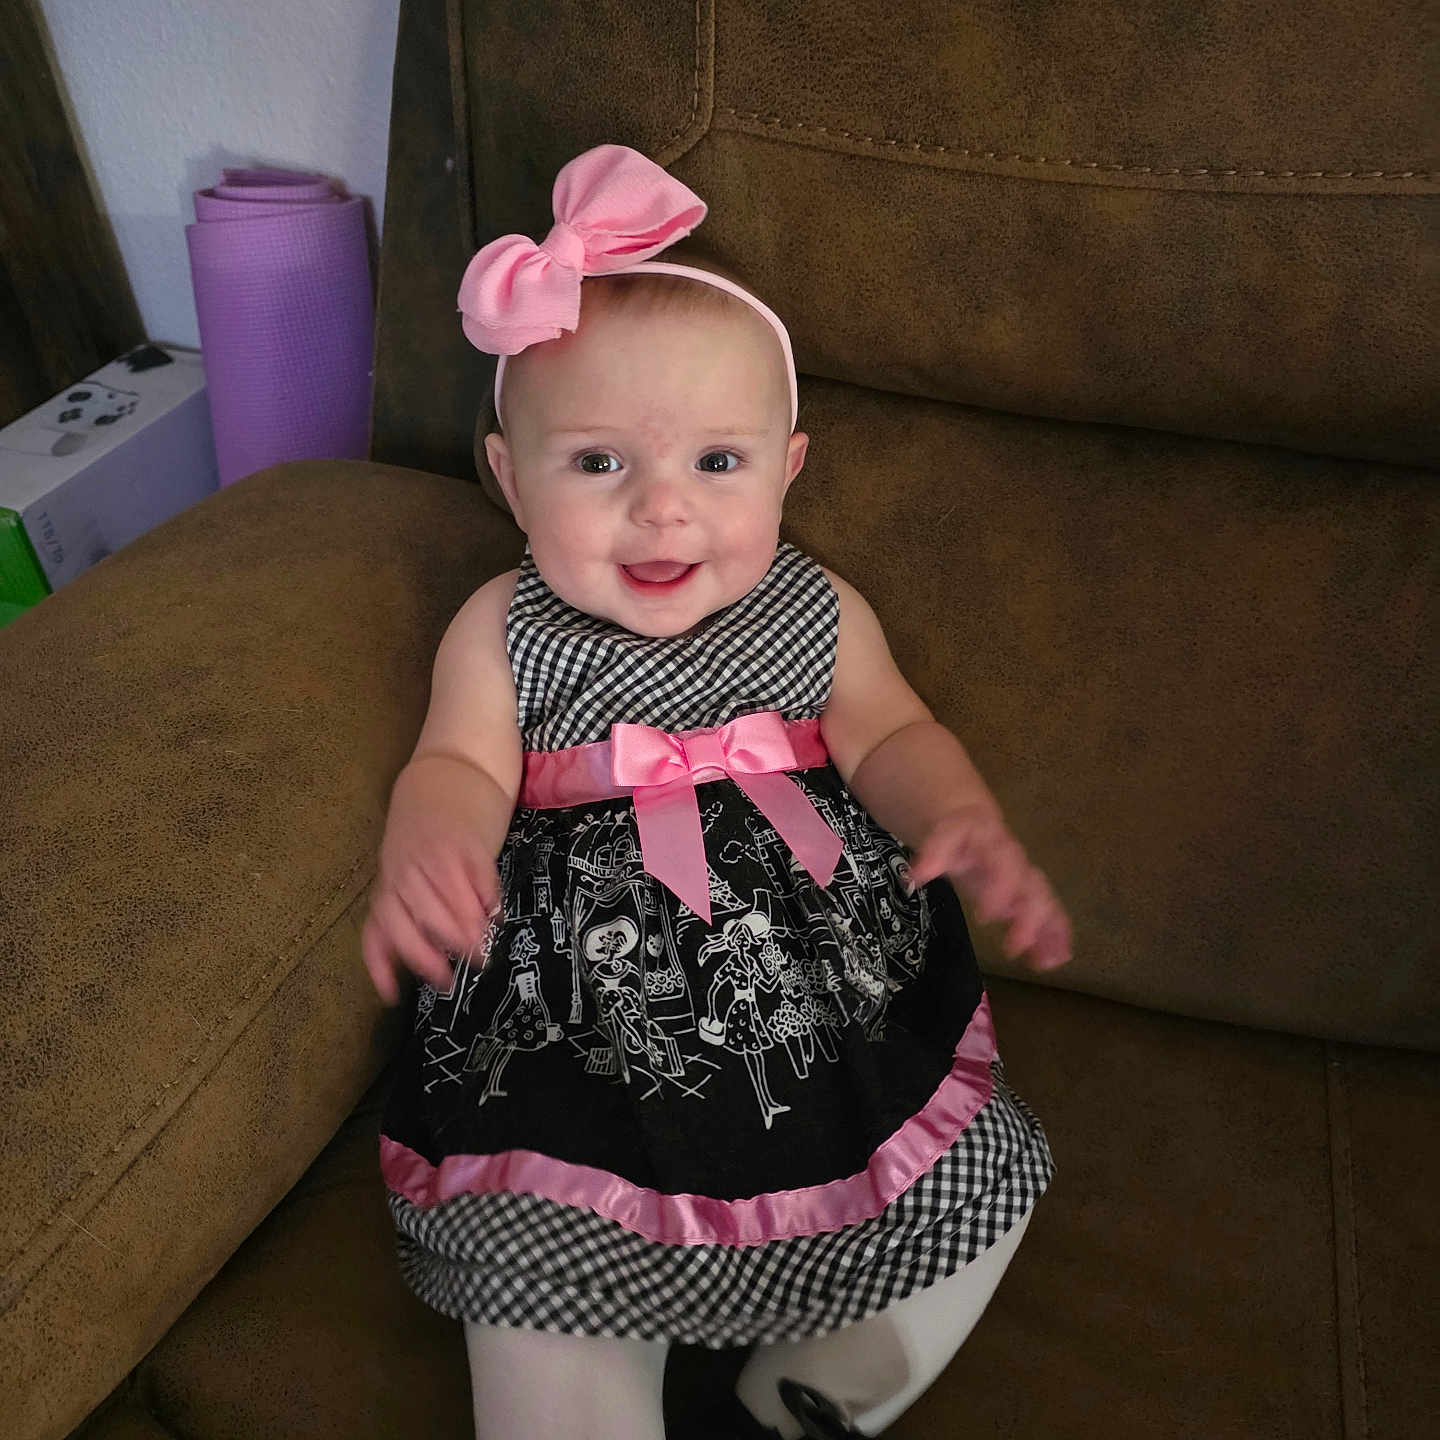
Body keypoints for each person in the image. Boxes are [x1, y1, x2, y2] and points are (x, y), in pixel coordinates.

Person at [363, 145, 1072, 1440]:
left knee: (978, 1191)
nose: (662, 514)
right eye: (597, 466)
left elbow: (891, 729)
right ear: (509, 479)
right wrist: (435, 845)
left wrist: (954, 811)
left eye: (717, 465)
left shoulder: (813, 603)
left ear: (789, 467)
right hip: (583, 1009)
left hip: (806, 991)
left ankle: (804, 1403)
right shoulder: (506, 627)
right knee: (543, 1275)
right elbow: (457, 763)